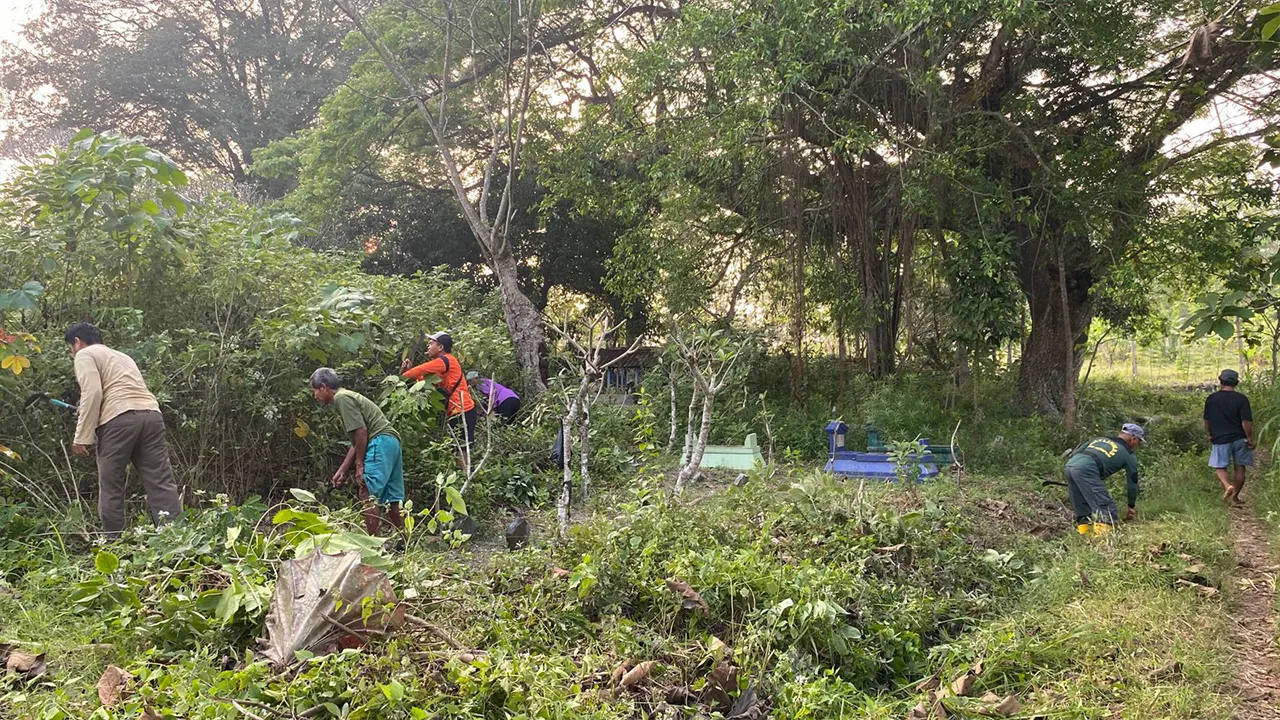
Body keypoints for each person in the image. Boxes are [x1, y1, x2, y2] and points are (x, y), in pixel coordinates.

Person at [65, 323, 183, 539]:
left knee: (111, 485)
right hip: (151, 414)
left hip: (118, 421)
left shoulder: (85, 355)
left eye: (70, 349)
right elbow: (119, 388)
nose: (72, 354)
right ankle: (175, 538)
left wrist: (82, 436)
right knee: (160, 481)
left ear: (77, 342)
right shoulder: (122, 356)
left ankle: (114, 543)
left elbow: (93, 392)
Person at [309, 368, 404, 536]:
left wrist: (360, 465)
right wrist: (342, 470)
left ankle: (373, 546)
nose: (314, 396)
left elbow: (361, 432)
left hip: (380, 441)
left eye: (314, 390)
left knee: (366, 491)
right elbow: (356, 441)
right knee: (393, 499)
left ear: (323, 387)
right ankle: (406, 542)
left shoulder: (341, 398)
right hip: (392, 442)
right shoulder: (347, 396)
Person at [401, 332, 476, 462]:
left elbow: (417, 372)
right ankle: (465, 476)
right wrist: (409, 372)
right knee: (458, 448)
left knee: (461, 449)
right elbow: (425, 382)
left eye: (431, 344)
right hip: (458, 410)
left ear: (440, 347)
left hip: (462, 409)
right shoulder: (444, 364)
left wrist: (404, 373)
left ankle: (467, 477)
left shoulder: (444, 361)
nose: (428, 347)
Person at [1063, 423, 1145, 536]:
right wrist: (1131, 506)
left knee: (1082, 507)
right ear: (1133, 439)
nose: (1137, 445)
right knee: (1106, 509)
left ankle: (1084, 538)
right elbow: (1132, 482)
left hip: (1070, 465)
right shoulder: (1128, 455)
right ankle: (1103, 544)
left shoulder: (1099, 439)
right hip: (1087, 470)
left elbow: (1076, 453)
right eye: (1139, 442)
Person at [1204, 368, 1254, 503]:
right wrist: (1249, 438)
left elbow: (1207, 420)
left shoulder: (1212, 399)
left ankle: (1228, 486)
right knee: (1240, 467)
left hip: (1220, 438)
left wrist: (1209, 434)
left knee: (1220, 467)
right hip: (1240, 438)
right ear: (1236, 383)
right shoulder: (1242, 399)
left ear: (1220, 381)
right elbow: (1246, 422)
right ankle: (1235, 497)